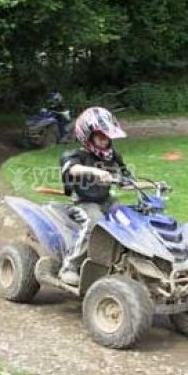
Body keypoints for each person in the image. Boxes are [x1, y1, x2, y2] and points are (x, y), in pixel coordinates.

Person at [57, 107, 130, 285]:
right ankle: (69, 266)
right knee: (95, 224)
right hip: (84, 202)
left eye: (107, 137)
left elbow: (126, 175)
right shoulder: (76, 155)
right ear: (87, 137)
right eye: (100, 136)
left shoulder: (113, 156)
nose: (104, 141)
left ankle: (124, 262)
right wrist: (96, 172)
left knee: (129, 220)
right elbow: (73, 169)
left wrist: (138, 183)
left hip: (107, 201)